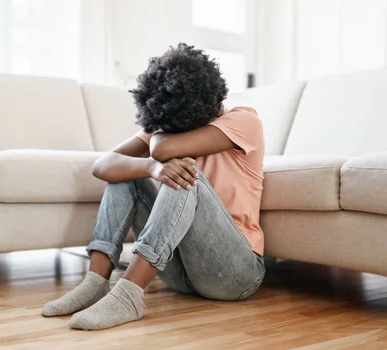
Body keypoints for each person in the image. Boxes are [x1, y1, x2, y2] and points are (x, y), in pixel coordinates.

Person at [42, 43, 265, 330]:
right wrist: (150, 168)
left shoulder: (244, 120)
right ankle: (96, 282)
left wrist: (159, 153)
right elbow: (103, 165)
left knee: (184, 176)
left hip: (236, 273)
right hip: (179, 274)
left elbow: (162, 149)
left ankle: (129, 295)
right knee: (127, 175)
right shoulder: (170, 119)